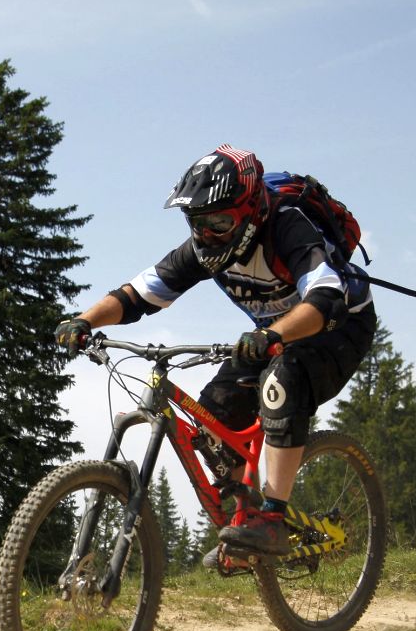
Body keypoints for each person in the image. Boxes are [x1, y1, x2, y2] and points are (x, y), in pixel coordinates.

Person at [54, 144, 377, 564]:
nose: (206, 234)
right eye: (197, 224)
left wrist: (274, 335)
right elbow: (138, 294)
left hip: (337, 327)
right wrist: (84, 321)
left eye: (219, 223)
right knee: (211, 417)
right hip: (273, 336)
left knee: (282, 382)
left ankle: (272, 519)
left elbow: (325, 296)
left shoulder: (287, 227)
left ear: (251, 211)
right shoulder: (205, 248)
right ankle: (246, 529)